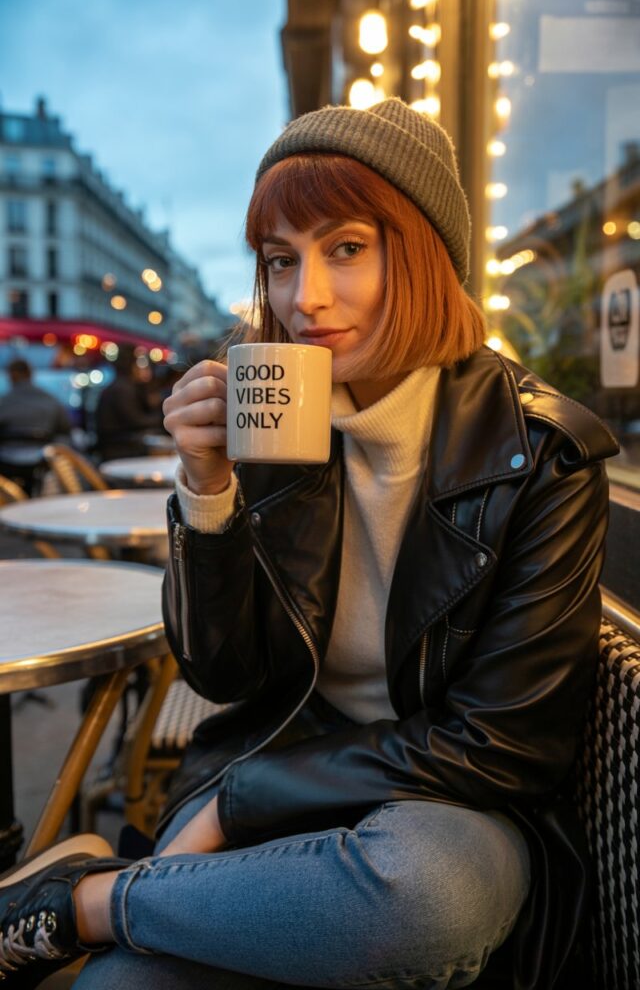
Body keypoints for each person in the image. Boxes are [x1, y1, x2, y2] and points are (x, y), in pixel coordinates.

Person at [0, 98, 619, 989]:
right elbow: (226, 676)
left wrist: (245, 799)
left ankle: (84, 899)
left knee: (427, 899)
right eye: (280, 261)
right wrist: (208, 488)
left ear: (426, 254)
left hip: (448, 808)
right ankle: (139, 911)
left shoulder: (543, 454)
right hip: (282, 771)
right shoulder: (280, 418)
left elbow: (504, 744)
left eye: (347, 248)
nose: (304, 299)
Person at [0, 357, 71, 493]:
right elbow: (65, 430)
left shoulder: (4, 401)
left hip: (6, 462)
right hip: (42, 461)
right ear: (30, 374)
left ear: (11, 376)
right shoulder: (50, 399)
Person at [95, 345, 164, 461]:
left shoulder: (121, 385)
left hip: (117, 446)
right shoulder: (122, 388)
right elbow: (136, 421)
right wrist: (163, 419)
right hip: (120, 450)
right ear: (131, 364)